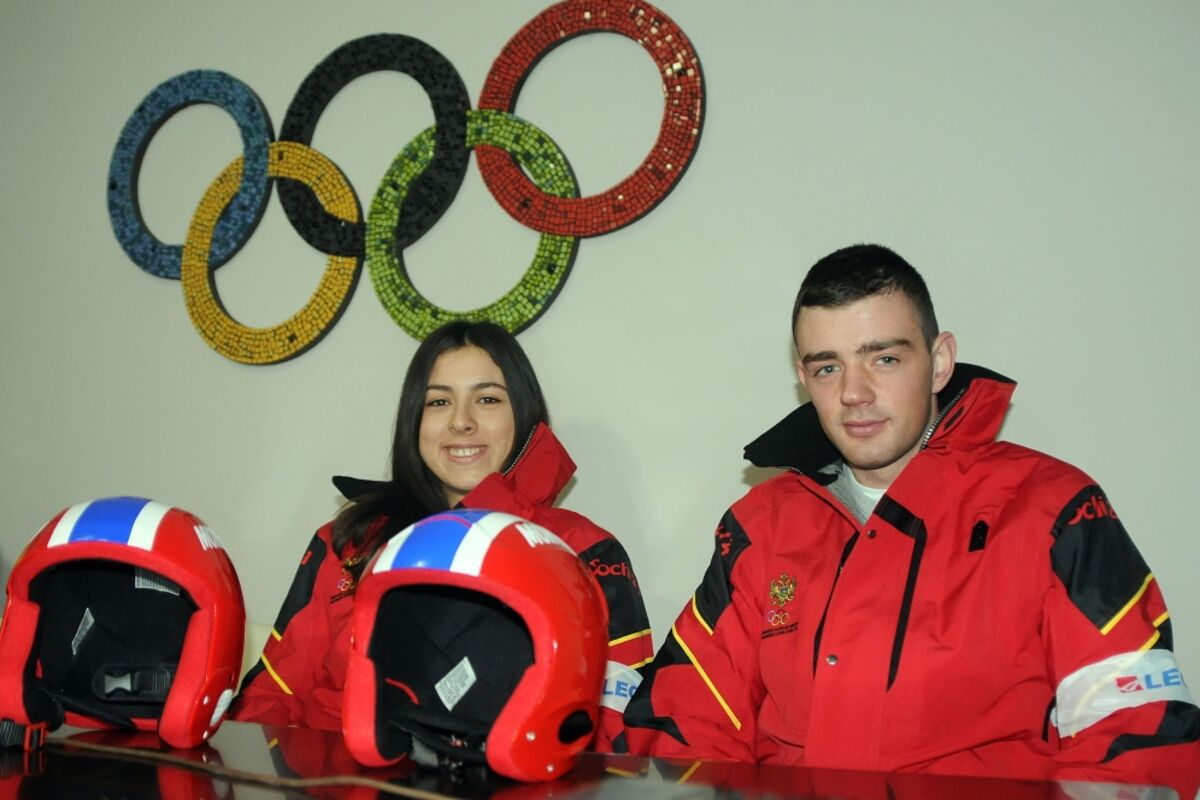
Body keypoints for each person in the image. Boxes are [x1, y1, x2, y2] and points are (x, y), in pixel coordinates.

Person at [623, 245, 1199, 790]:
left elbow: (1135, 738)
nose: (854, 392)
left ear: (939, 361)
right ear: (803, 377)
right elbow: (682, 727)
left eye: (885, 359)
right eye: (828, 368)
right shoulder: (759, 528)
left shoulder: (1052, 509)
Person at [233, 321, 652, 752]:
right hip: (334, 776)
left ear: (524, 414)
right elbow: (271, 698)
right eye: (438, 402)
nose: (461, 422)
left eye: (487, 399)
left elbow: (616, 736)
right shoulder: (349, 541)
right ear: (414, 421)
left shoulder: (584, 552)